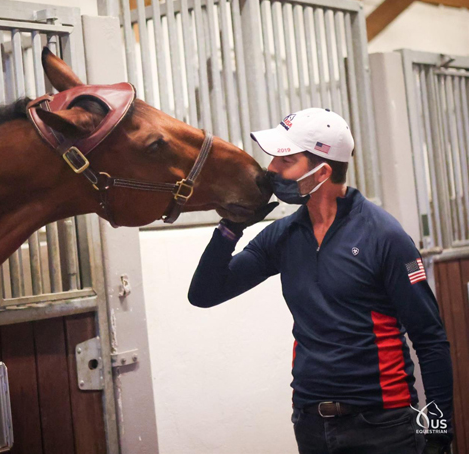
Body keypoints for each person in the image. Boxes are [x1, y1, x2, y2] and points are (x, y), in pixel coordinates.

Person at [188, 108, 454, 454]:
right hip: (311, 424)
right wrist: (231, 226)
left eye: (286, 160)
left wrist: (438, 434)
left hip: (383, 425)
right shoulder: (282, 236)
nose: (271, 169)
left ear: (322, 171)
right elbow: (205, 293)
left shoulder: (383, 236)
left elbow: (430, 339)